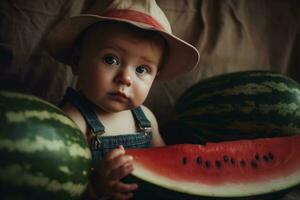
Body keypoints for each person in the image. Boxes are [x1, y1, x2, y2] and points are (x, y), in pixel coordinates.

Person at [46, 0, 199, 199]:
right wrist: (96, 187)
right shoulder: (73, 121)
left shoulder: (146, 119)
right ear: (77, 61)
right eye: (111, 59)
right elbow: (60, 186)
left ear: (155, 78)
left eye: (142, 69)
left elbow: (166, 161)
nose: (126, 78)